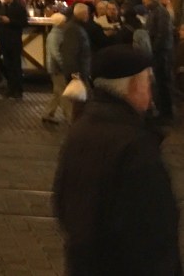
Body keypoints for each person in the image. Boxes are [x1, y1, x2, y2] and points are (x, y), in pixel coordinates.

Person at [53, 45, 182, 276]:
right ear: (133, 86)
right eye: (147, 82)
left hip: (84, 263)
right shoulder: (135, 143)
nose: (151, 91)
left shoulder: (82, 128)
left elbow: (61, 202)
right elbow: (152, 227)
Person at [143, 0, 175, 122]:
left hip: (161, 52)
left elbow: (162, 33)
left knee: (163, 82)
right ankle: (164, 111)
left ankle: (166, 114)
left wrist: (154, 48)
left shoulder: (160, 12)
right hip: (160, 51)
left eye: (145, 0)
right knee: (161, 82)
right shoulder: (155, 11)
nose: (144, 3)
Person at [0, 0, 29, 99]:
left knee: (16, 65)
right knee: (8, 65)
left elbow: (24, 23)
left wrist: (10, 21)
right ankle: (10, 88)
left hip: (14, 41)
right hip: (5, 41)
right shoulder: (3, 7)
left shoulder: (19, 7)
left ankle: (18, 90)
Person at [60, 2, 91, 122]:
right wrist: (74, 72)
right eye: (87, 13)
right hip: (78, 73)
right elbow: (70, 52)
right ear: (83, 14)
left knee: (81, 103)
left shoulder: (75, 27)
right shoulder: (73, 29)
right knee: (79, 104)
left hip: (81, 72)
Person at [42, 12, 67, 124]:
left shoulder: (56, 34)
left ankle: (48, 113)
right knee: (62, 92)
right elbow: (55, 53)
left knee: (57, 92)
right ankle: (70, 115)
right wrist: (63, 63)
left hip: (55, 67)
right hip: (56, 68)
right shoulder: (56, 35)